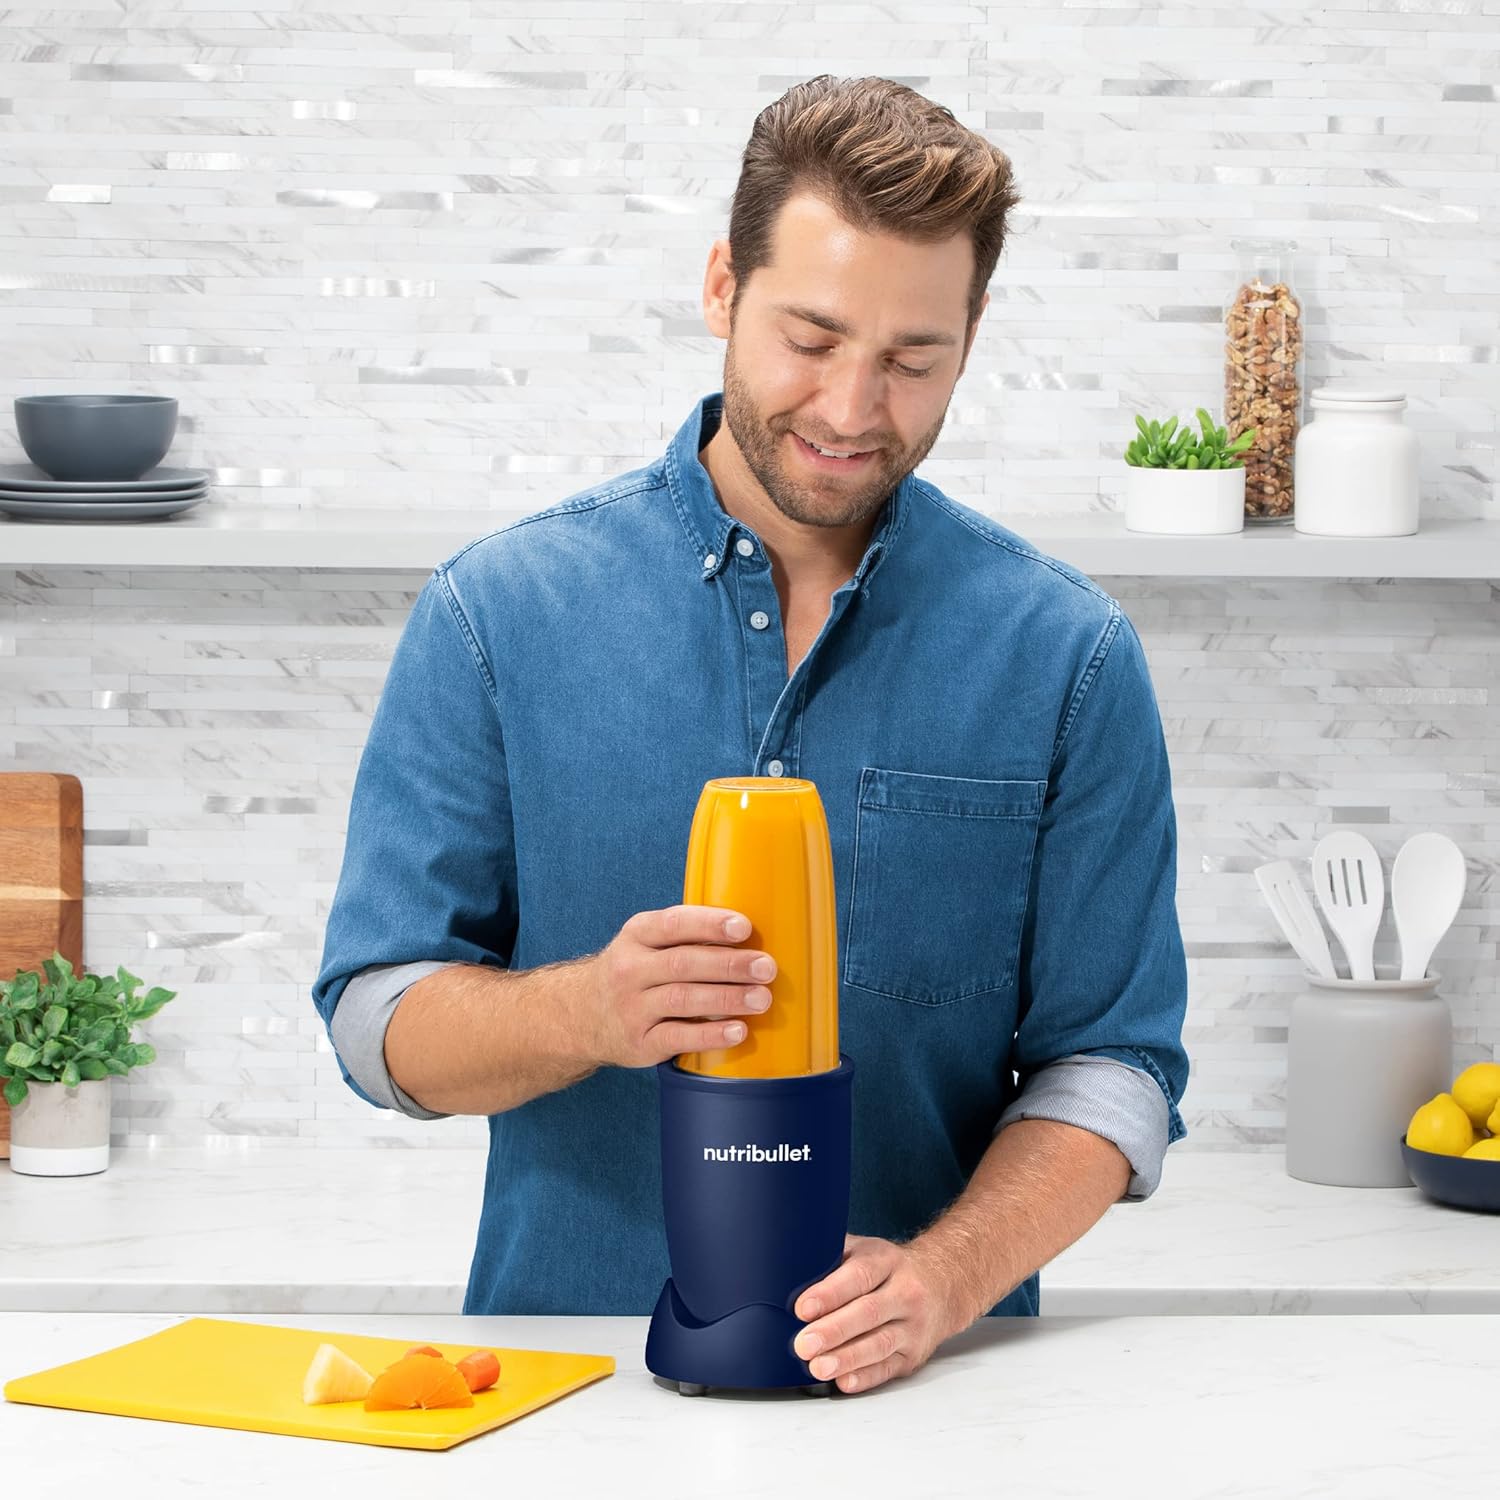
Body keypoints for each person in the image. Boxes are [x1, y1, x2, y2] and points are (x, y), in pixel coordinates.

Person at [312, 74, 1190, 1396]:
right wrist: (587, 1009)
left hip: (934, 1402)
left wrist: (947, 1278)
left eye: (912, 360)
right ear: (724, 286)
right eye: (811, 337)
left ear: (972, 337)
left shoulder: (1068, 655)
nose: (850, 408)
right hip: (570, 1391)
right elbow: (376, 1026)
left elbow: (1116, 1067)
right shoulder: (498, 613)